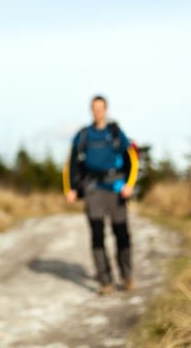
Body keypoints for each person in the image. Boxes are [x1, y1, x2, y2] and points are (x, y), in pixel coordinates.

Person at [63, 95, 138, 295]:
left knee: (121, 234)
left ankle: (126, 275)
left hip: (116, 188)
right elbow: (71, 163)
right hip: (93, 189)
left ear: (106, 110)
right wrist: (70, 188)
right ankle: (105, 281)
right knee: (97, 236)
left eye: (101, 108)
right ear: (91, 110)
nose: (98, 111)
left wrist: (130, 184)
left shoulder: (115, 133)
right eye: (94, 108)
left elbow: (132, 158)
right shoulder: (83, 135)